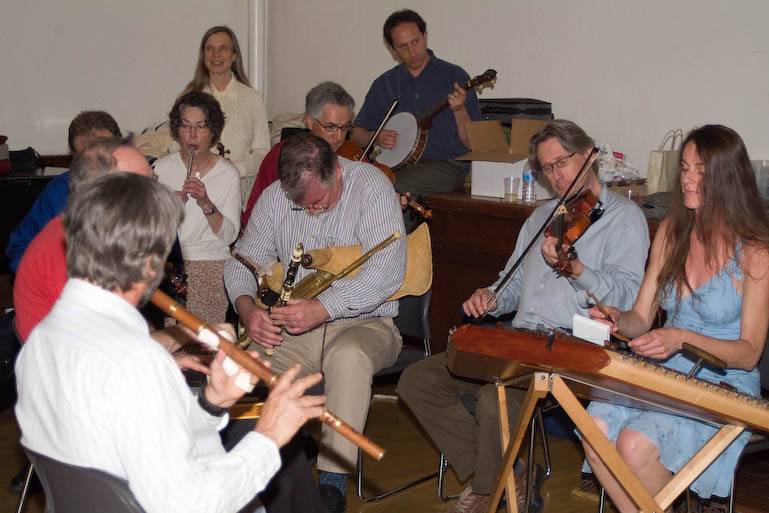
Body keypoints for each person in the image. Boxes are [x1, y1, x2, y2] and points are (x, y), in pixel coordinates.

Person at [15, 172, 326, 513]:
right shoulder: (137, 361)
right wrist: (269, 437)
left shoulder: (41, 342)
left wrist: (210, 404)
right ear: (150, 265)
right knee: (277, 469)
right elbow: (190, 503)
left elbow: (143, 442)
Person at [397, 119, 650, 513]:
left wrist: (577, 270)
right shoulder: (541, 217)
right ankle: (507, 473)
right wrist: (490, 297)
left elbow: (626, 299)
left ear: (588, 155)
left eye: (562, 163)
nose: (555, 176)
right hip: (519, 341)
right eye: (546, 169)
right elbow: (510, 284)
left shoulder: (625, 218)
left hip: (574, 349)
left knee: (490, 397)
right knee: (418, 381)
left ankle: (486, 492)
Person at [582, 125, 769, 513]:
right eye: (684, 168)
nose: (687, 178)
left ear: (727, 179)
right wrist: (617, 318)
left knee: (633, 445)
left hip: (724, 380)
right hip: (665, 369)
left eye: (700, 170)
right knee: (594, 432)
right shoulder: (670, 232)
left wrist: (681, 338)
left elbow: (750, 353)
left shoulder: (755, 252)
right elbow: (641, 320)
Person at [225, 133, 406, 513]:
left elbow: (386, 275)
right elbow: (242, 261)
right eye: (301, 206)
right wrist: (246, 309)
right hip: (296, 325)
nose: (312, 212)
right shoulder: (276, 197)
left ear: (337, 170)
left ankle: (332, 483)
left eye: (319, 202)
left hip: (366, 322)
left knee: (348, 356)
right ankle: (245, 465)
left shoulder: (373, 188)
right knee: (246, 362)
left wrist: (324, 307)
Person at [13, 136, 158, 343]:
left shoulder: (97, 237)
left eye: (152, 181)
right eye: (142, 185)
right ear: (102, 192)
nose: (155, 194)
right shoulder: (65, 249)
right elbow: (97, 346)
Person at [351, 9, 482, 198]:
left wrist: (459, 110)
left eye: (416, 42)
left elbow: (472, 143)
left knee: (390, 186)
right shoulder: (385, 84)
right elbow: (356, 134)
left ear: (425, 37)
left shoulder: (454, 77)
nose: (412, 52)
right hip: (394, 166)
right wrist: (376, 136)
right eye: (403, 46)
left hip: (446, 166)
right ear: (392, 49)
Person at [155, 91, 241, 324]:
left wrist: (206, 203)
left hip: (210, 262)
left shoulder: (228, 174)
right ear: (177, 130)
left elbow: (230, 236)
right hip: (169, 263)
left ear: (212, 131)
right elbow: (145, 231)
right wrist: (166, 208)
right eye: (185, 126)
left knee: (203, 344)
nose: (192, 135)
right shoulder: (160, 170)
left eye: (201, 127)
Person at [5, 111, 121, 272]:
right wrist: (44, 274)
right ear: (75, 158)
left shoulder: (138, 181)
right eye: (86, 157)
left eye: (104, 152)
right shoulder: (61, 189)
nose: (96, 164)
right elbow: (20, 246)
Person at [241, 81, 356, 227]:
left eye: (345, 127)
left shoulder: (354, 157)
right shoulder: (281, 156)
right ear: (309, 121)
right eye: (330, 127)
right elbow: (254, 215)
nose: (339, 137)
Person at [182, 25, 270, 203]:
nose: (216, 54)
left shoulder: (253, 99)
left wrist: (234, 169)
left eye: (223, 48)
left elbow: (263, 153)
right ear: (203, 55)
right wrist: (202, 168)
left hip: (240, 192)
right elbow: (175, 145)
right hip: (198, 188)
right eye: (210, 48)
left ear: (234, 55)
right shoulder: (189, 98)